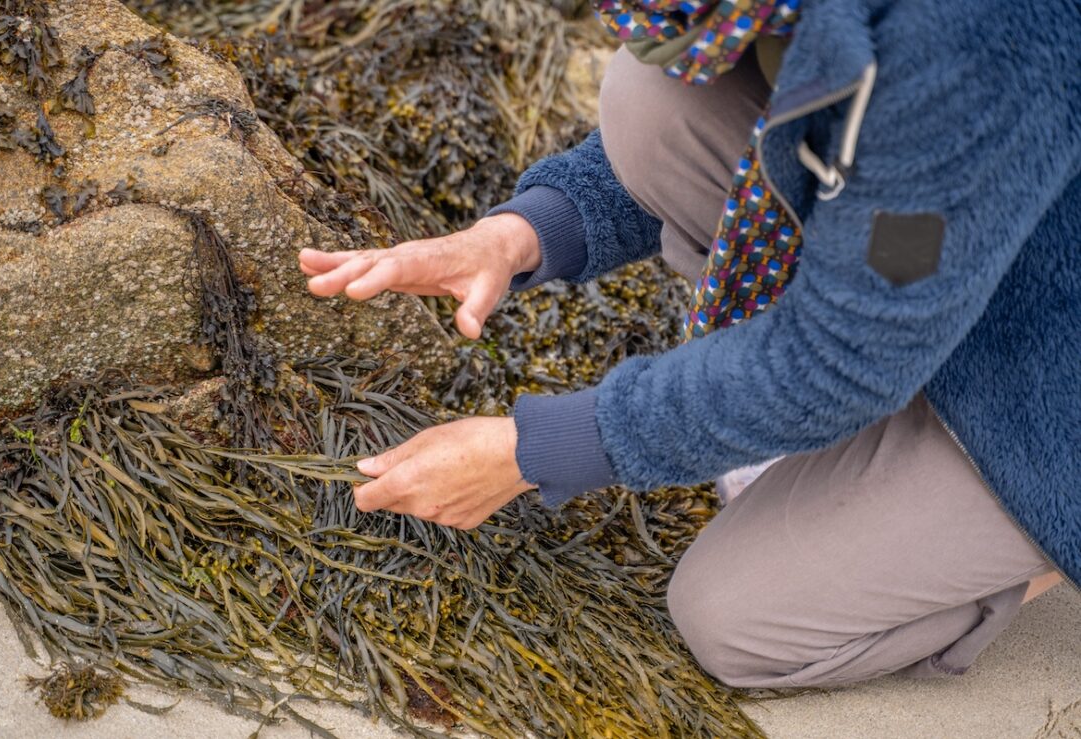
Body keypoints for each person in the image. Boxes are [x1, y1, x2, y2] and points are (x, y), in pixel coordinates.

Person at [299, 0, 1080, 689]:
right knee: (653, 99)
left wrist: (532, 452)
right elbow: (786, 134)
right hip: (942, 255)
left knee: (733, 619)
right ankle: (884, 418)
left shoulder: (969, 39)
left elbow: (839, 361)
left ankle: (1038, 535)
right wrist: (519, 235)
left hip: (1048, 388)